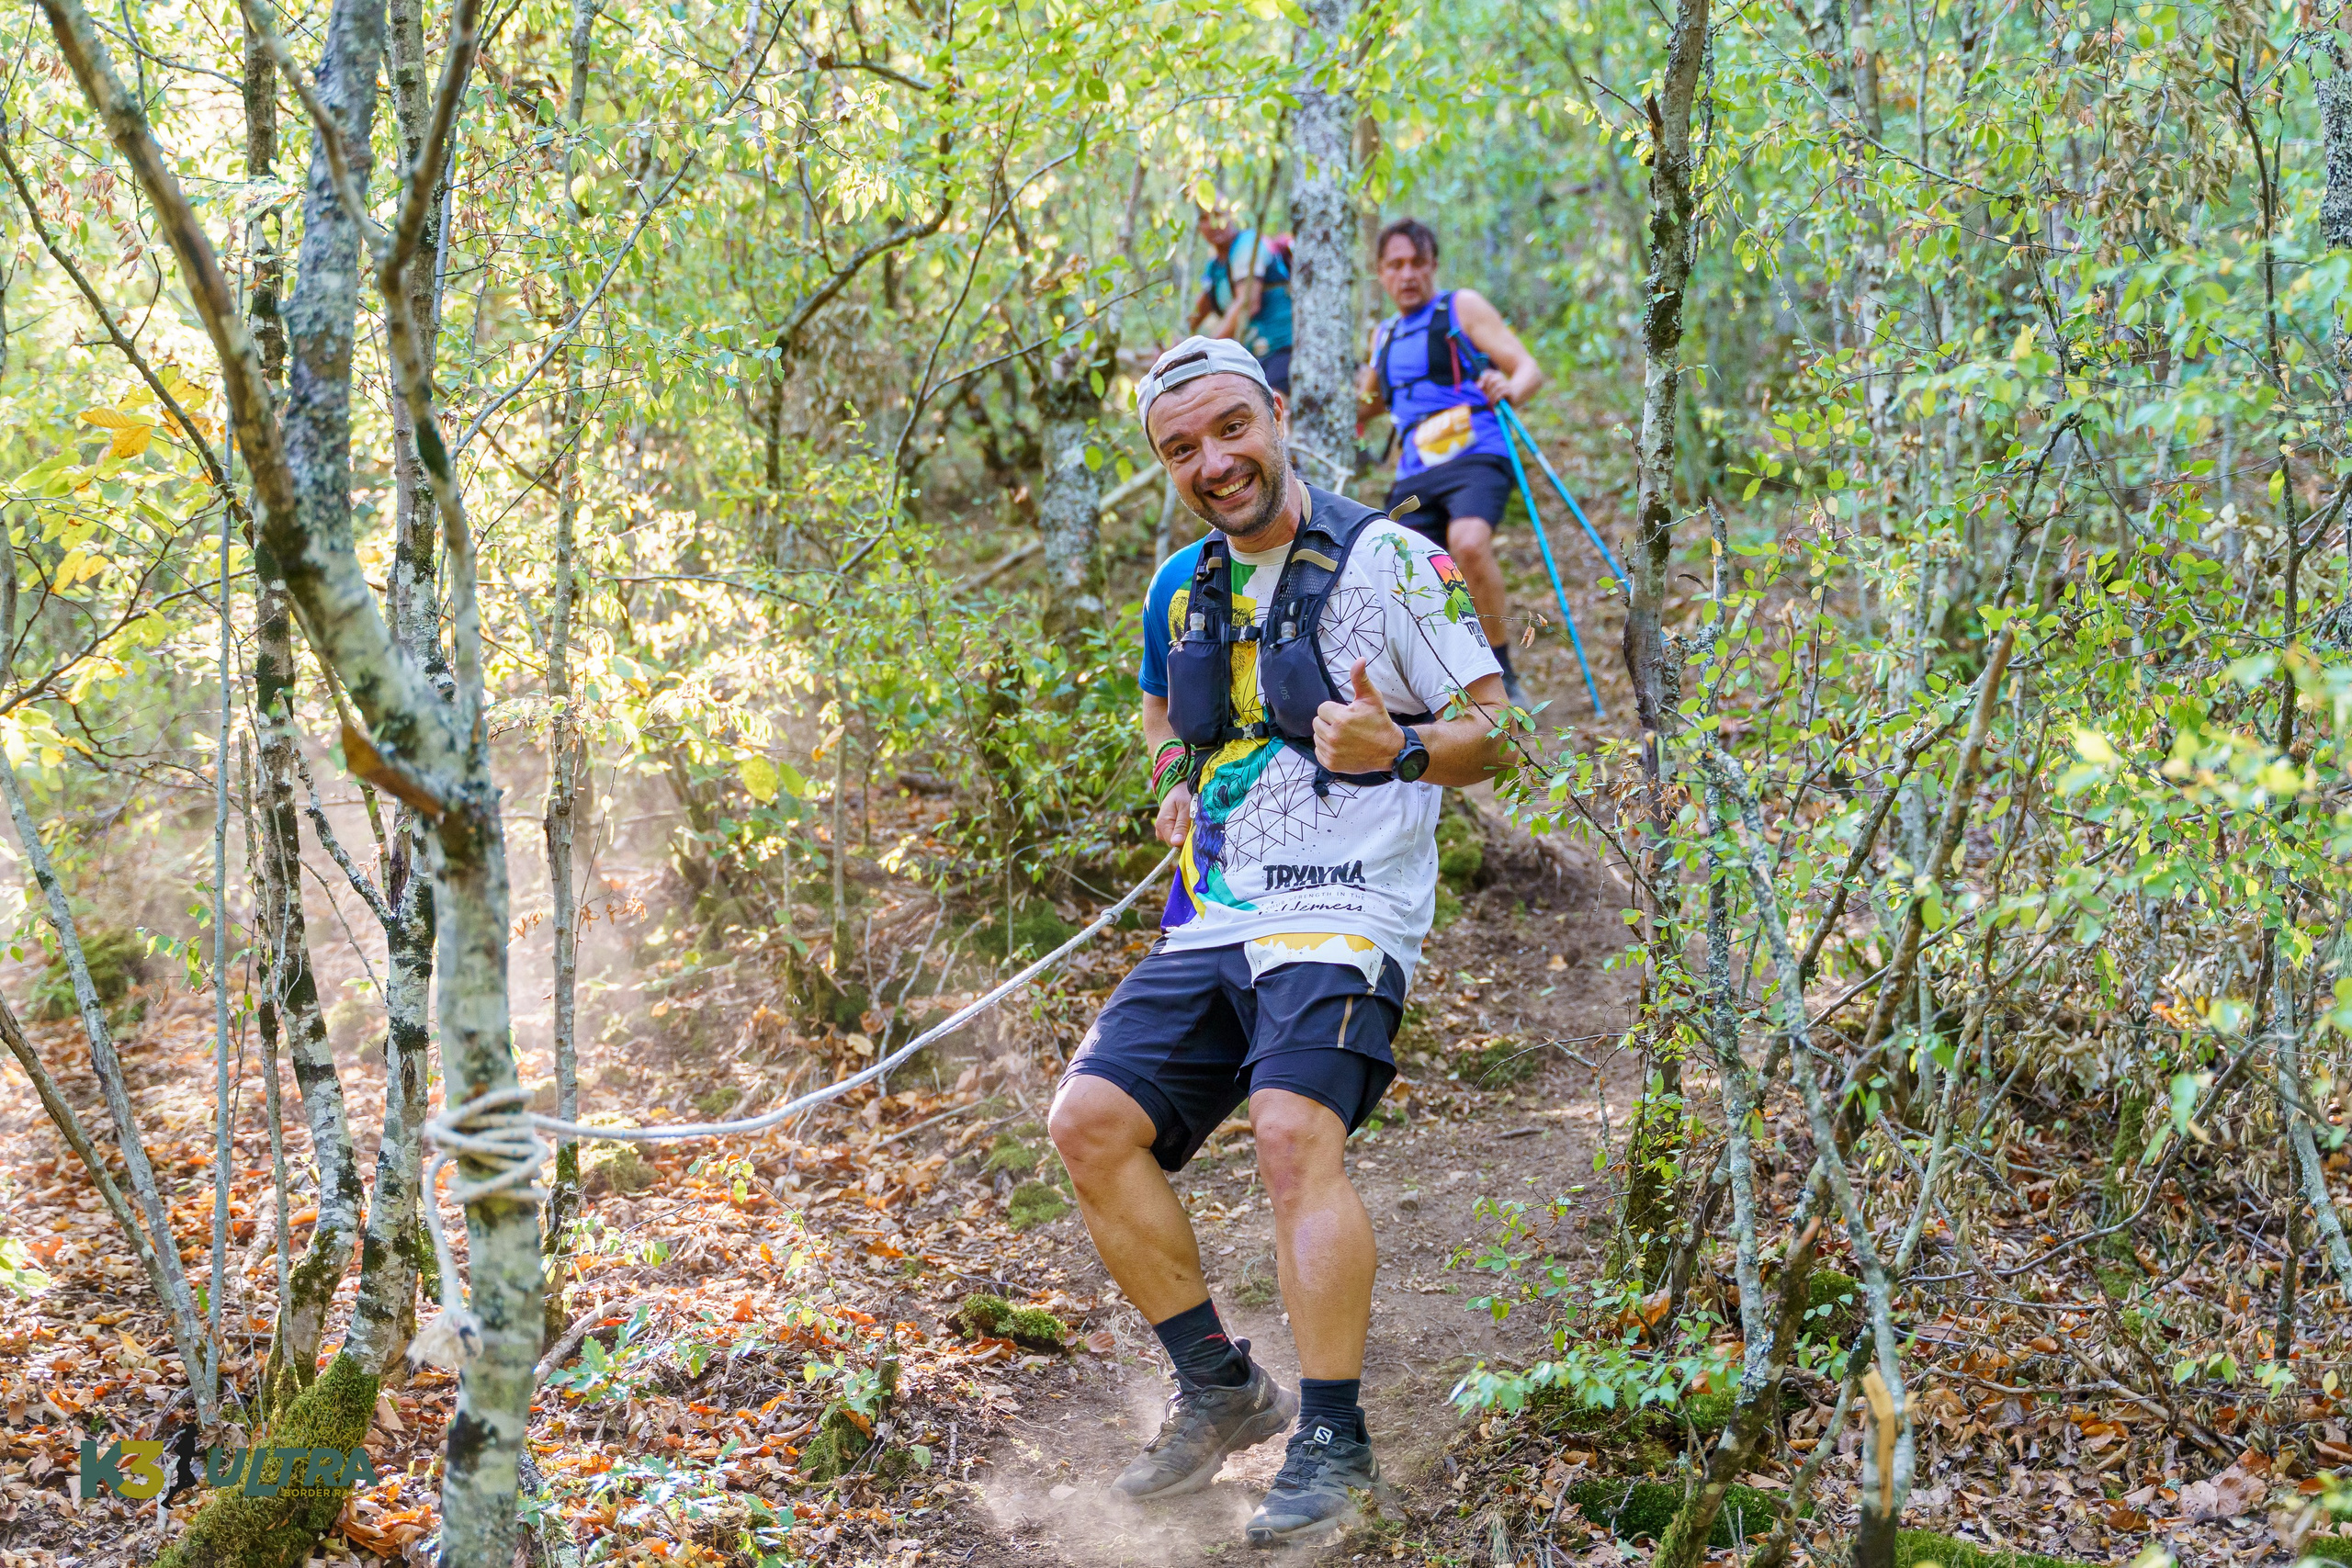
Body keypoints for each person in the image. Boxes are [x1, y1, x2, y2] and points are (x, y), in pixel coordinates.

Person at [1048, 336, 1507, 1543]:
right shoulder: (1178, 585)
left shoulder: (1391, 562)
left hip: (1347, 908)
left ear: (1279, 414)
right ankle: (1219, 1386)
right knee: (1088, 1123)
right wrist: (1171, 773)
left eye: (1230, 429)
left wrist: (1399, 749)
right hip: (1213, 915)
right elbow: (1161, 702)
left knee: (1294, 1132)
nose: (1215, 461)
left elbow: (1498, 731)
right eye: (1181, 448)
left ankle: (1336, 1434)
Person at [1355, 217, 1544, 711]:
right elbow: (1368, 401)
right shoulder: (1385, 335)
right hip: (1415, 470)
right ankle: (1434, 687)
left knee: (1468, 544)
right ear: (1380, 274)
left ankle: (1502, 673)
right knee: (1396, 569)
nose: (1408, 274)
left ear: (1433, 265)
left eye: (1417, 263)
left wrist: (1511, 388)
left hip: (1476, 453)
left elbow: (1526, 368)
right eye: (1395, 265)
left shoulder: (1460, 307)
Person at [1187, 205, 1295, 394]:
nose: (1213, 224)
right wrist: (1173, 350)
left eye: (1218, 214)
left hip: (1282, 348)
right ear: (1198, 227)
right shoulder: (1214, 268)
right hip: (1253, 357)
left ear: (1231, 215)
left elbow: (1247, 303)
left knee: (1272, 407)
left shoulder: (1248, 245)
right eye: (1205, 218)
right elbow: (1194, 315)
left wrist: (1204, 352)